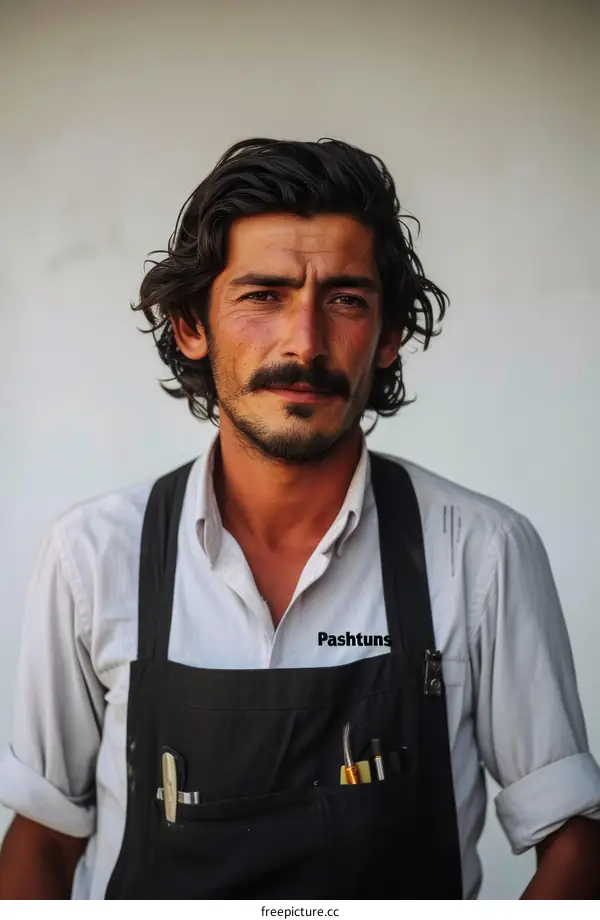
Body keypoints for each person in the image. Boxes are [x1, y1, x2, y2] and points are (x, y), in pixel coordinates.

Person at [1, 138, 599, 901]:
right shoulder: (92, 557)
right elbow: (43, 841)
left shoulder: (481, 553)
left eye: (345, 299)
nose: (305, 342)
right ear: (191, 326)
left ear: (388, 335)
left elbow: (576, 841)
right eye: (264, 295)